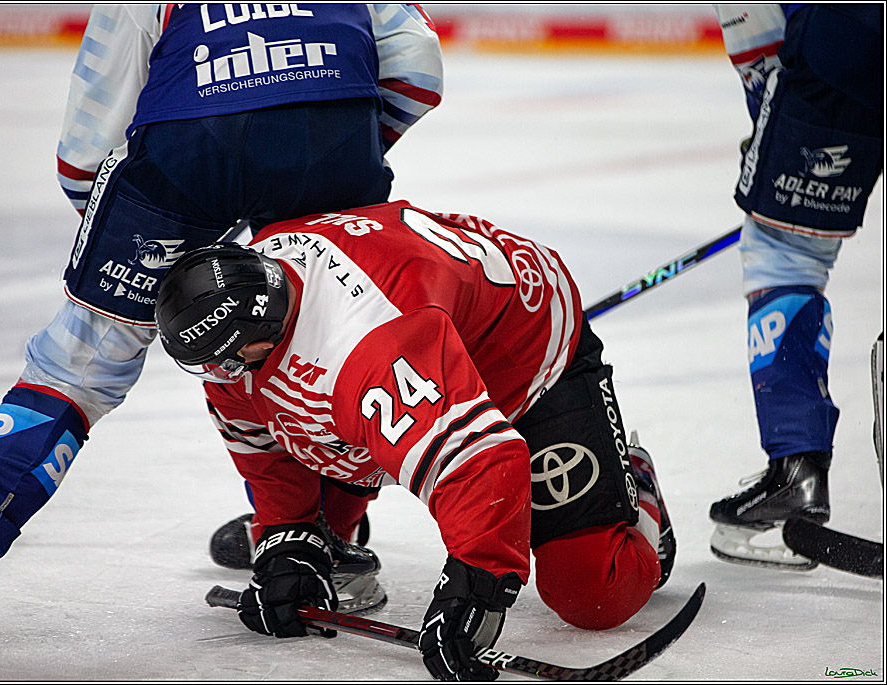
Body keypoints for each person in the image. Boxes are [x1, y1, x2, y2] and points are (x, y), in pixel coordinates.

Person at [0, 3, 443, 653]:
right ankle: (327, 541)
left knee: (75, 368)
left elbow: (86, 148)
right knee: (338, 337)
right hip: (330, 139)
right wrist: (334, 150)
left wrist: (141, 227)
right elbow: (419, 67)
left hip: (189, 146)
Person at [152, 200, 677, 681]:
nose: (218, 375)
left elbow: (483, 464)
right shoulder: (256, 291)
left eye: (224, 358)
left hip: (525, 353)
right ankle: (330, 524)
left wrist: (479, 587)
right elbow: (262, 437)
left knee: (593, 593)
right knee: (313, 452)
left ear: (259, 334)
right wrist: (287, 531)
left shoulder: (366, 347)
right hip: (432, 314)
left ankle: (633, 482)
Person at [708, 5, 883, 569]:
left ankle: (797, 471)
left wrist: (772, 130)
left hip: (849, 39)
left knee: (785, 252)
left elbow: (755, 33)